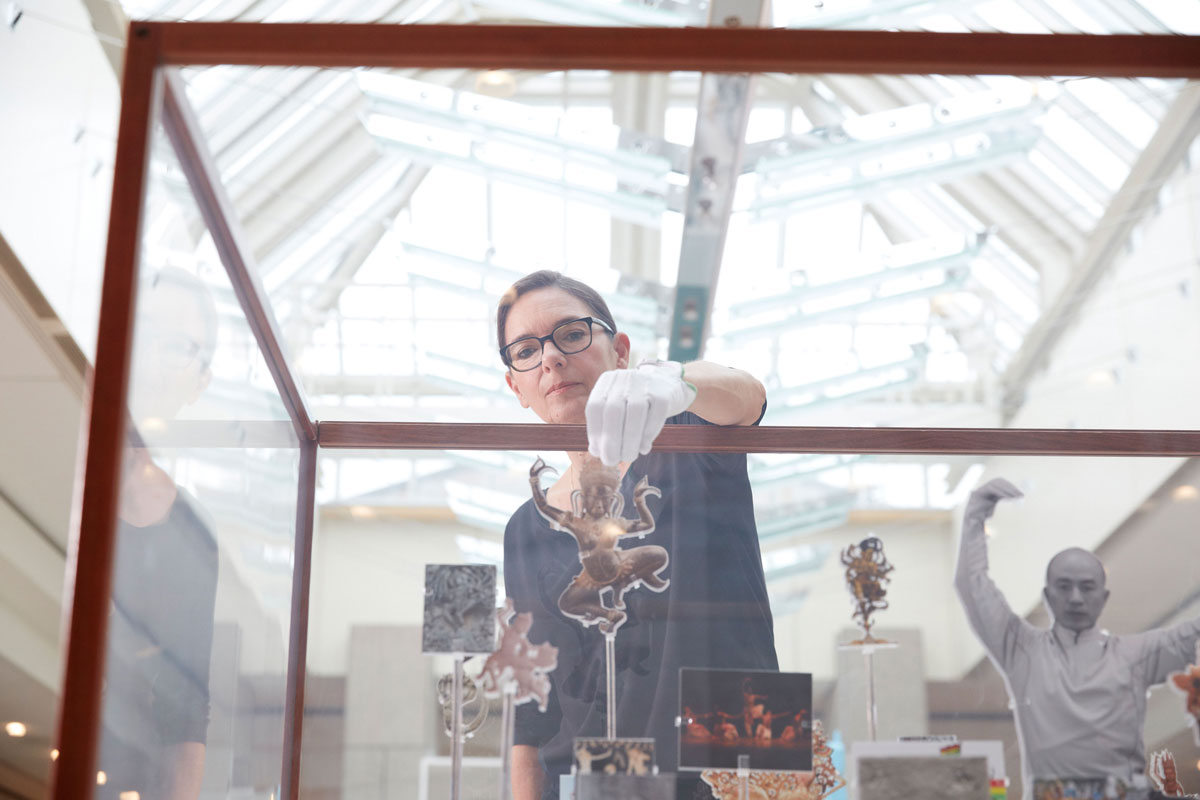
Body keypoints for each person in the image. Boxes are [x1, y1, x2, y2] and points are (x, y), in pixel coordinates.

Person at [498, 271, 778, 799]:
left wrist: (677, 383)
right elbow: (532, 713)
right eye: (526, 350)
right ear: (516, 386)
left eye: (572, 334)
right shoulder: (526, 528)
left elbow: (750, 398)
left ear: (619, 351)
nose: (551, 358)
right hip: (609, 772)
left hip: (737, 753)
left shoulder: (689, 441)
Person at [955, 477, 1200, 800]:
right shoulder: (1023, 652)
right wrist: (975, 513)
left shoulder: (1133, 655)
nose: (1075, 598)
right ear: (1046, 595)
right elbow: (973, 587)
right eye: (1064, 586)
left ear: (1104, 597)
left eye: (1086, 587)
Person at [98, 267, 221, 800]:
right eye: (142, 335)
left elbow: (186, 708)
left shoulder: (193, 531)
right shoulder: (59, 455)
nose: (149, 362)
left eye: (175, 347)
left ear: (201, 380)